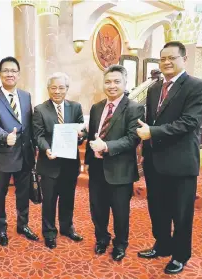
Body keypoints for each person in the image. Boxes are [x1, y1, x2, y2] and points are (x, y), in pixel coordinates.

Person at [137, 41, 202, 274]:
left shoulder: (196, 86)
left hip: (181, 163)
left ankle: (180, 255)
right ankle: (162, 245)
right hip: (155, 161)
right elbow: (152, 122)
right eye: (163, 58)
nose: (166, 62)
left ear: (184, 59)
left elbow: (190, 122)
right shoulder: (155, 88)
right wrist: (146, 150)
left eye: (172, 58)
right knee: (158, 208)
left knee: (181, 213)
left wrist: (152, 133)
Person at [85, 65, 144, 261]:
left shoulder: (135, 108)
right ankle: (102, 238)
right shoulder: (97, 107)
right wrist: (87, 159)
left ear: (125, 83)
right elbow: (93, 135)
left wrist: (106, 146)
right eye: (108, 81)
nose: (111, 86)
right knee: (98, 209)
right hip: (96, 170)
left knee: (120, 213)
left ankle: (120, 244)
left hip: (120, 171)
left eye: (116, 81)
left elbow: (132, 139)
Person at [0, 56, 39, 246]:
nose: (10, 74)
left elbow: (30, 125)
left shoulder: (26, 96)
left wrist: (37, 146)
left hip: (25, 155)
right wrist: (4, 136)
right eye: (5, 71)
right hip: (4, 157)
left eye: (13, 71)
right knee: (0, 195)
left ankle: (22, 225)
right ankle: (0, 228)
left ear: (18, 74)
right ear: (0, 74)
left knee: (23, 193)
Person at [33, 72, 85, 249]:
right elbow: (38, 136)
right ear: (48, 89)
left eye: (61, 87)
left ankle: (67, 228)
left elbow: (82, 134)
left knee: (68, 199)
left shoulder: (76, 107)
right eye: (53, 87)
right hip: (49, 163)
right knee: (49, 201)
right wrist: (46, 149)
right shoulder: (40, 109)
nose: (57, 91)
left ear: (67, 89)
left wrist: (79, 137)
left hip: (70, 164)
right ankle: (49, 232)